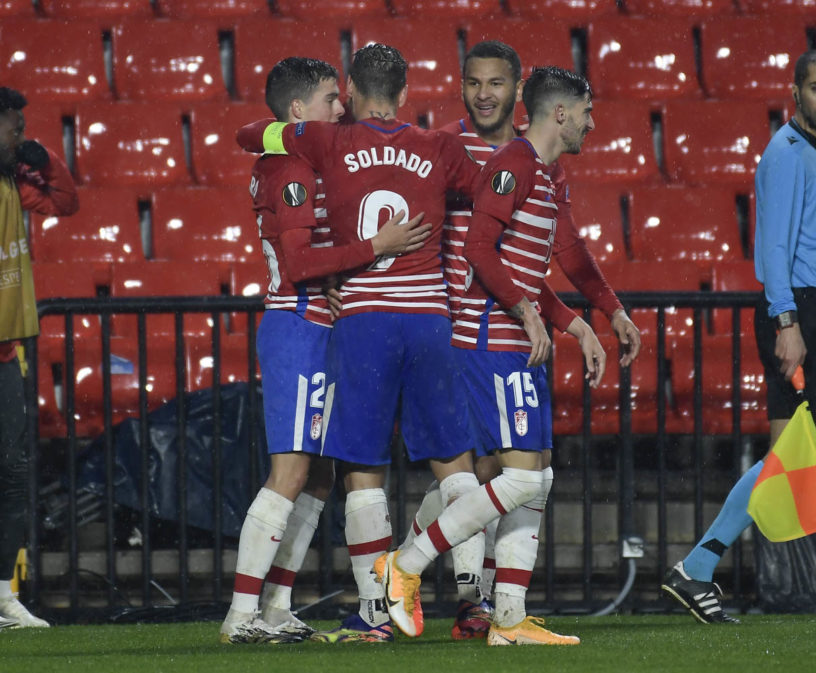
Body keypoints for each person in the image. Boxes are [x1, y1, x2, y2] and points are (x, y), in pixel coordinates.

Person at [237, 44, 601, 644]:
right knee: (456, 464)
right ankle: (475, 603)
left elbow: (250, 135)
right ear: (406, 94)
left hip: (363, 321)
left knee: (362, 471)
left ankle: (376, 613)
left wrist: (286, 130)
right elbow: (489, 198)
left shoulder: (330, 142)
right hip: (434, 320)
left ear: (351, 93)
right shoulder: (438, 148)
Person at [396, 39, 643, 641]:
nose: (593, 121)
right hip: (484, 338)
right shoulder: (510, 163)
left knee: (531, 475)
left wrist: (592, 316)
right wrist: (531, 313)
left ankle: (507, 614)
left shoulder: (545, 171)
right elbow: (481, 251)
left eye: (496, 83)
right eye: (587, 110)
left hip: (512, 338)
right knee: (514, 477)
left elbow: (555, 258)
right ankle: (407, 565)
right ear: (561, 112)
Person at [660, 49, 816, 623]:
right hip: (801, 309)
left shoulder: (809, 153)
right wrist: (788, 323)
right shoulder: (787, 154)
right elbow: (772, 247)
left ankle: (699, 567)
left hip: (809, 307)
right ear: (795, 91)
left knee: (792, 454)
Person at [219, 57, 432, 645]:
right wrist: (375, 245)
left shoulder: (307, 156)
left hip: (320, 325)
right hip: (297, 329)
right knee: (289, 472)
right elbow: (295, 264)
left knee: (315, 478)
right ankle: (241, 615)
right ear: (296, 111)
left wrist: (333, 279)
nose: (340, 108)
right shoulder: (288, 165)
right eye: (329, 99)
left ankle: (279, 605)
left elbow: (312, 258)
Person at [0, 86, 78, 628]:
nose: (20, 135)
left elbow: (66, 203)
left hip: (5, 354)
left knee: (13, 472)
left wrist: (46, 159)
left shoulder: (15, 181)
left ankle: (2, 596)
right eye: (12, 126)